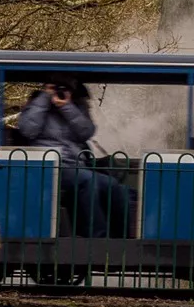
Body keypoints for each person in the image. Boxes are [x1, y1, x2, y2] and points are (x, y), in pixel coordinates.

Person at [17, 81, 131, 238]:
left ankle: (121, 238)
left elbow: (86, 132)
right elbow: (27, 129)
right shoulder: (37, 103)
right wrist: (45, 97)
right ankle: (97, 238)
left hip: (76, 166)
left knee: (113, 185)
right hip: (48, 166)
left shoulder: (76, 106)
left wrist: (67, 107)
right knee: (88, 181)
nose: (60, 90)